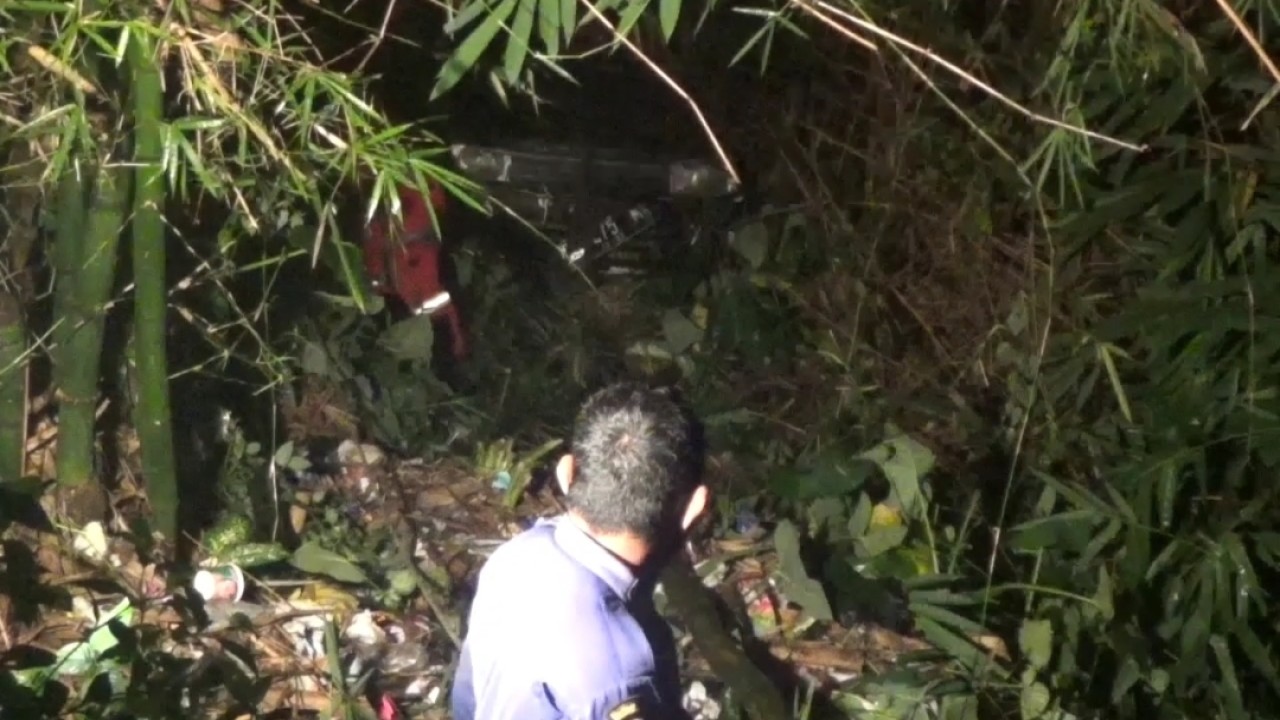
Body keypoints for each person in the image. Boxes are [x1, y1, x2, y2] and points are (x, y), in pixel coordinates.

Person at [451, 382, 709, 720]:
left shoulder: (514, 557)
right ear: (694, 508)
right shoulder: (618, 677)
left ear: (566, 473)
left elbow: (468, 697)